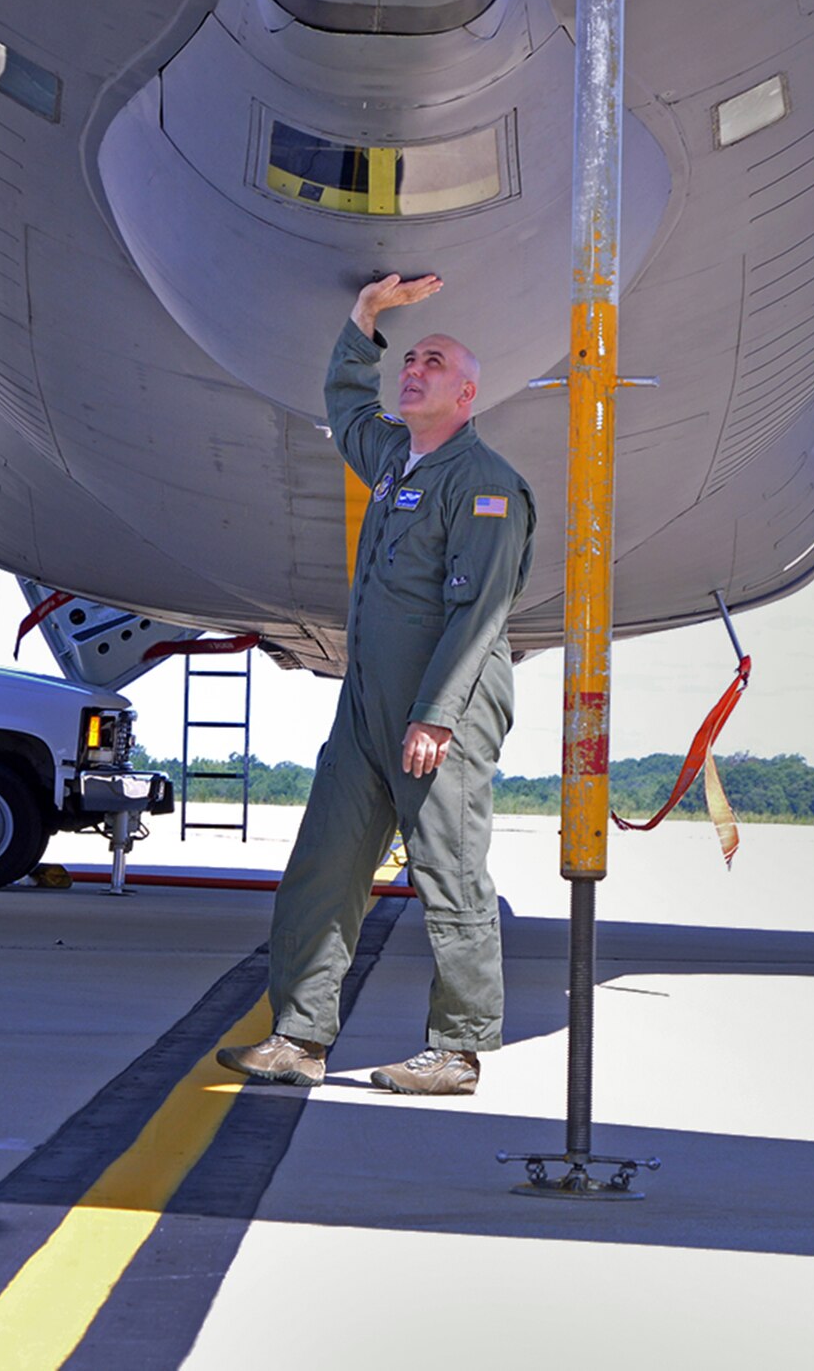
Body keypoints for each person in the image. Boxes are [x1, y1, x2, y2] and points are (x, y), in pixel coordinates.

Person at [218, 274, 534, 1096]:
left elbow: (480, 616)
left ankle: (456, 1051)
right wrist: (365, 320)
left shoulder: (486, 483)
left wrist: (434, 715)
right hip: (365, 705)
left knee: (449, 872)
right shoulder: (397, 459)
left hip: (444, 709)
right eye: (411, 358)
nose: (414, 368)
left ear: (465, 394)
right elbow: (349, 404)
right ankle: (298, 1037)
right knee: (324, 863)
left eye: (432, 361)